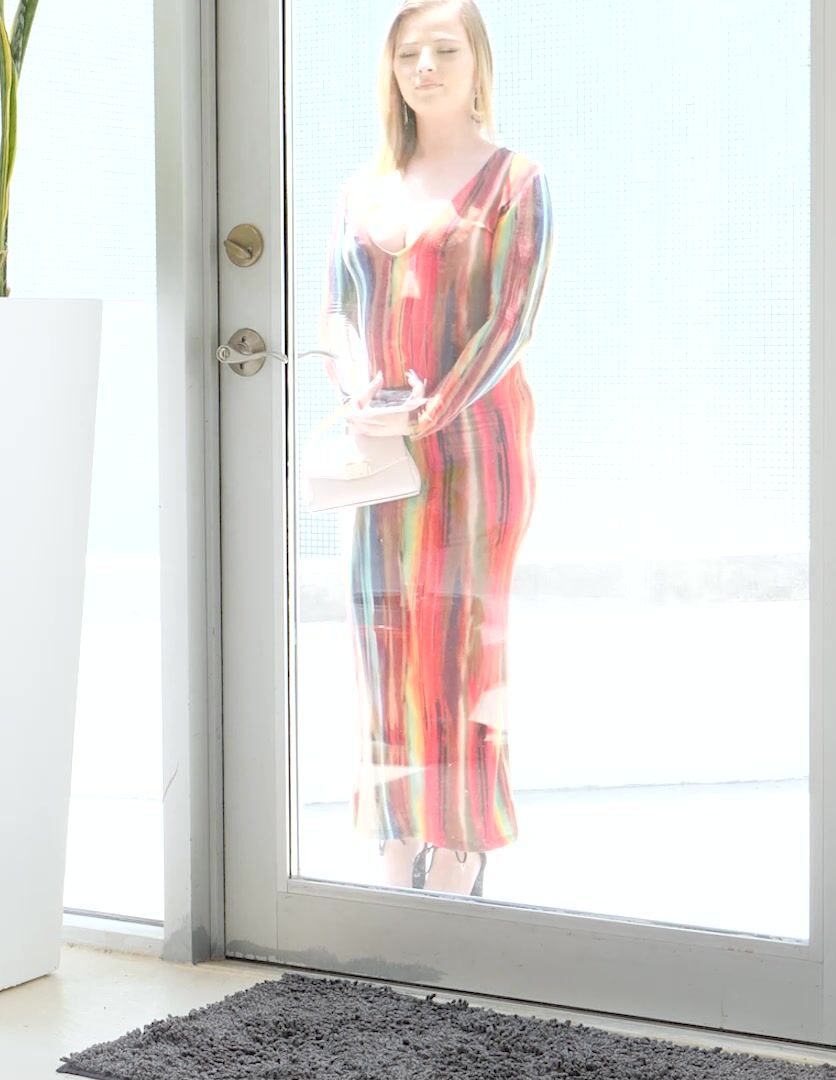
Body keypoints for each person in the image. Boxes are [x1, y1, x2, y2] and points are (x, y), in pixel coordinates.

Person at [318, 0, 554, 898]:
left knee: (464, 640)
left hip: (479, 450)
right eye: (408, 52)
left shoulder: (515, 181)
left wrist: (432, 411)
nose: (425, 66)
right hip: (380, 456)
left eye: (444, 49)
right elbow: (337, 314)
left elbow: (512, 320)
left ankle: (460, 842)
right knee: (382, 636)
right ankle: (394, 831)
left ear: (476, 61)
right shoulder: (363, 188)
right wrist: (356, 394)